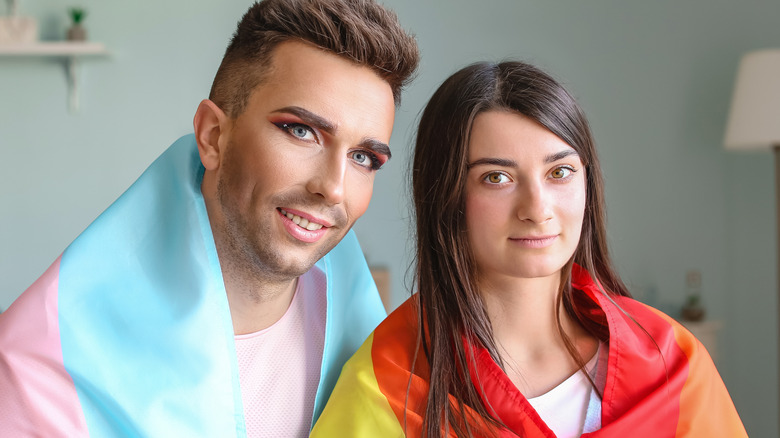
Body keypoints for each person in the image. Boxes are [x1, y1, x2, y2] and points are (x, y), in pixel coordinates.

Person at [0, 0, 418, 436]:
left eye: (363, 157)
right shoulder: (43, 368)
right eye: (300, 130)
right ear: (213, 136)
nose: (332, 187)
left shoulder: (379, 362)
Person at [311, 61, 747, 437]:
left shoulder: (672, 361)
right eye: (496, 178)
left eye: (559, 172)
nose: (537, 209)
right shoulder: (387, 381)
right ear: (446, 197)